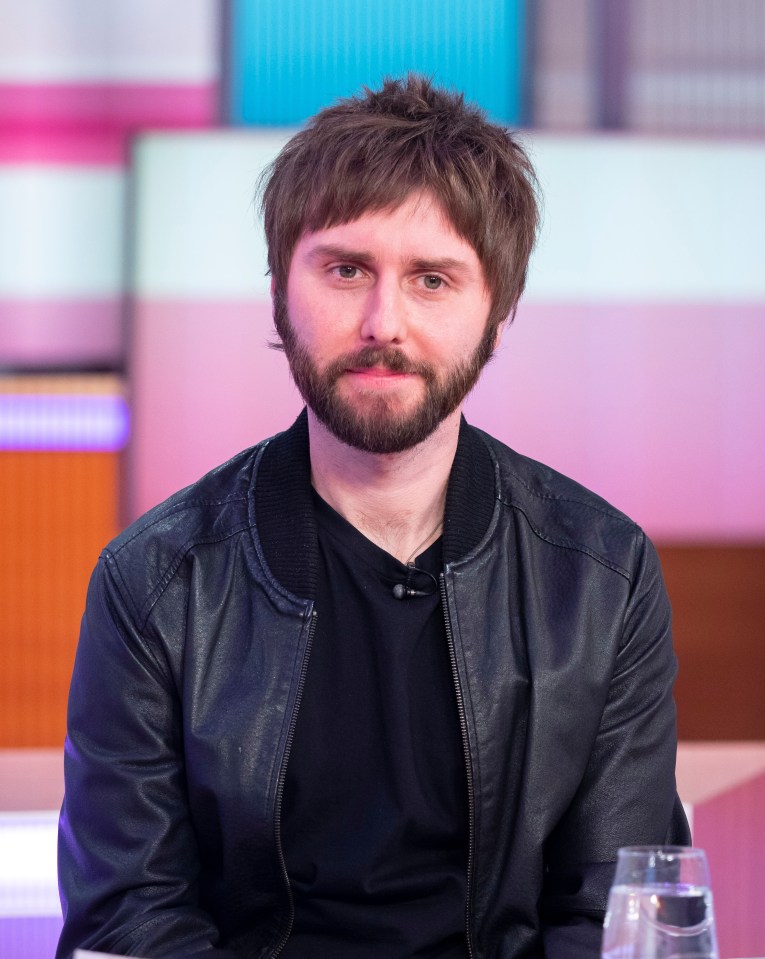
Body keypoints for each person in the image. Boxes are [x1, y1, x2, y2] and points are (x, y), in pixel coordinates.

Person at [57, 75, 689, 959]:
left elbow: (610, 914)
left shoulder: (601, 574)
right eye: (345, 269)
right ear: (280, 290)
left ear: (497, 314)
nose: (381, 322)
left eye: (432, 279)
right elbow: (131, 914)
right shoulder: (155, 579)